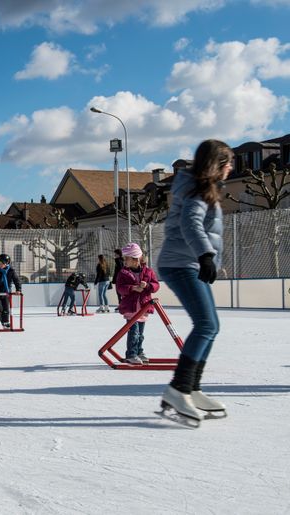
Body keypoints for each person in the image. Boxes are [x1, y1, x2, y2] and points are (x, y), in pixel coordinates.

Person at [156, 139, 232, 425]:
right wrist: (205, 256)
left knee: (211, 326)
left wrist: (206, 258)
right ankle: (178, 388)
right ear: (218, 164)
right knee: (206, 325)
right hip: (180, 264)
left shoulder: (204, 189)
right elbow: (191, 223)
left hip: (187, 263)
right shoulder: (197, 190)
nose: (231, 168)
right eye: (229, 163)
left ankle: (191, 388)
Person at [115, 243, 160, 365]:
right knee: (134, 333)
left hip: (143, 307)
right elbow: (120, 288)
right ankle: (131, 354)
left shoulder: (148, 272)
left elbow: (156, 285)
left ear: (136, 259)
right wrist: (132, 288)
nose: (124, 261)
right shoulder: (123, 273)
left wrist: (148, 286)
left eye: (127, 258)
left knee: (140, 334)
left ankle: (139, 351)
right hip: (131, 308)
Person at [0, 253, 22, 328]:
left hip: (6, 292)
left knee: (6, 308)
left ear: (7, 263)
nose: (0, 264)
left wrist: (18, 289)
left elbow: (16, 280)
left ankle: (5, 321)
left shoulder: (11, 271)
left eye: (2, 263)